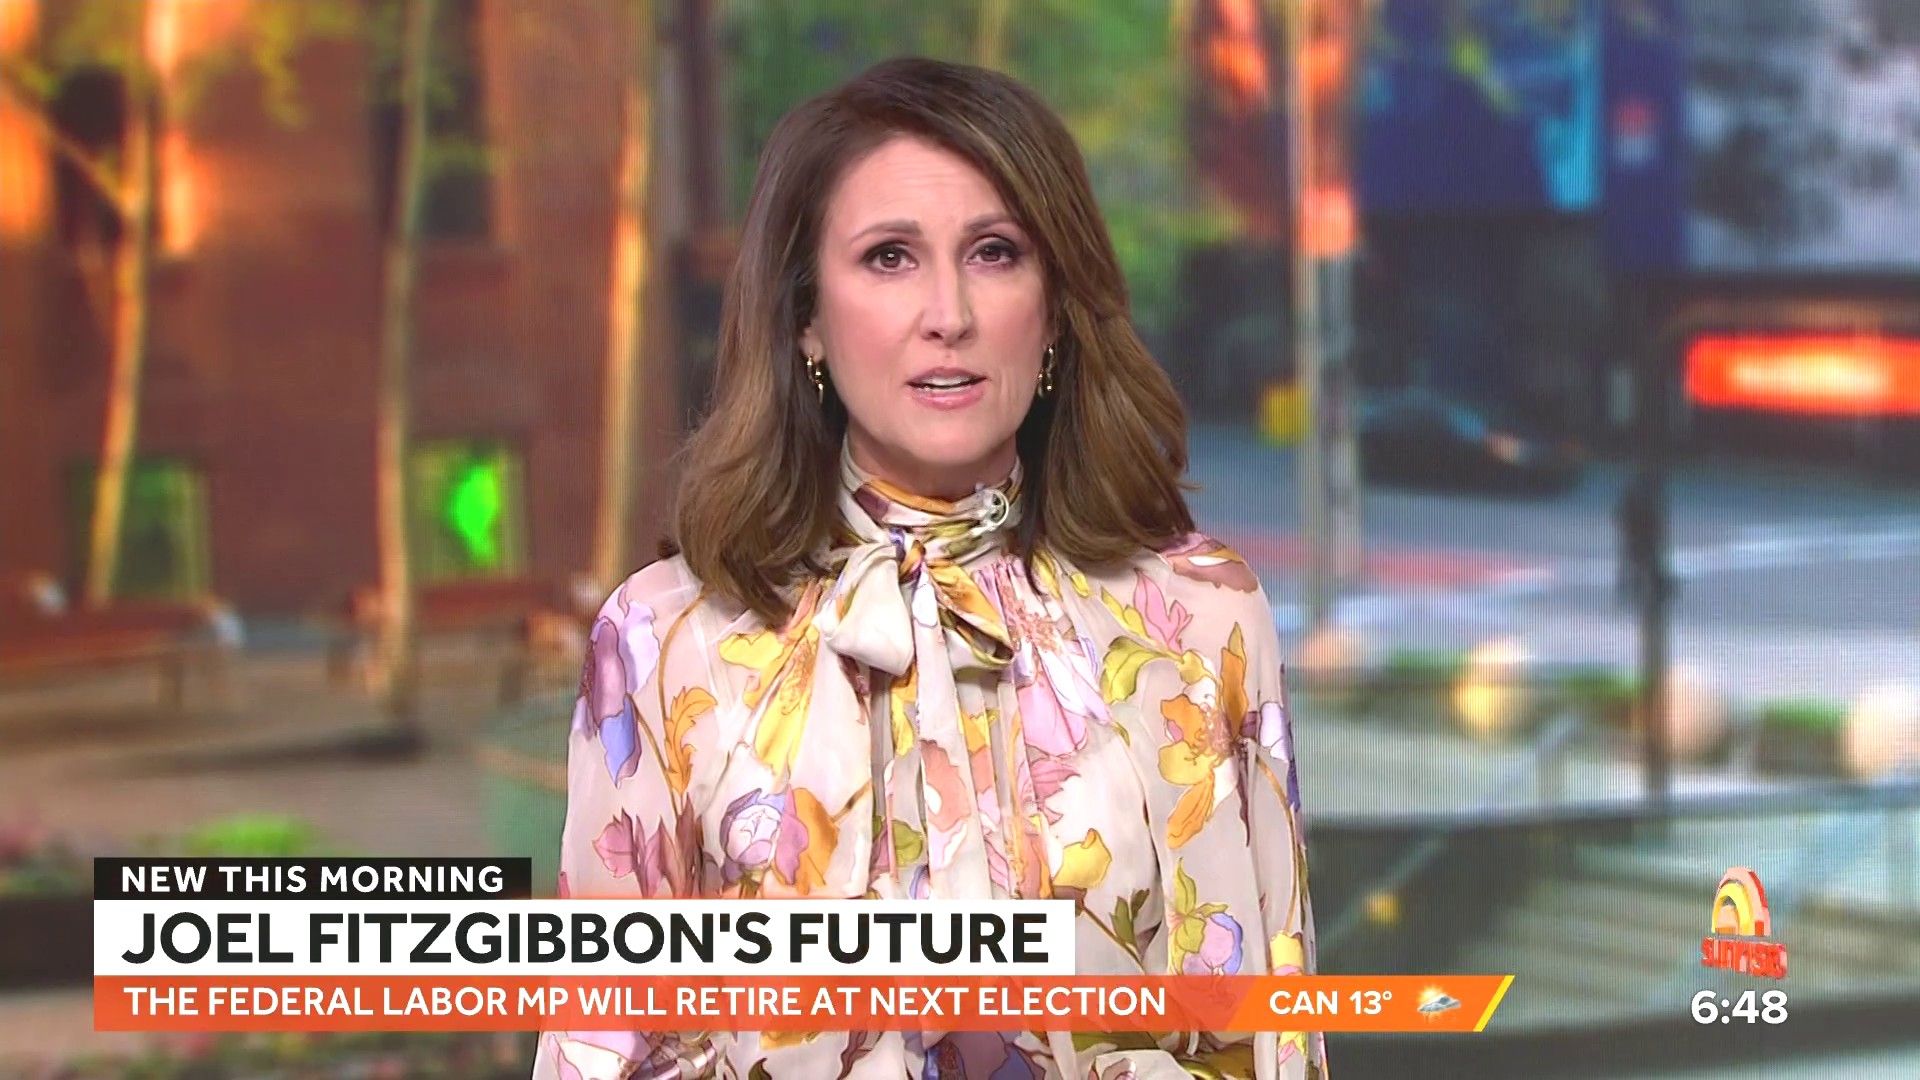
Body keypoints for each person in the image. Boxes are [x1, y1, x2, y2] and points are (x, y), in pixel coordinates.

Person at [533, 56, 1327, 1080]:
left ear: (1054, 306)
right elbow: (605, 1043)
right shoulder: (662, 639)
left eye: (994, 253)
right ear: (807, 318)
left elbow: (1272, 1030)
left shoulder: (1207, 617)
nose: (947, 312)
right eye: (889, 257)